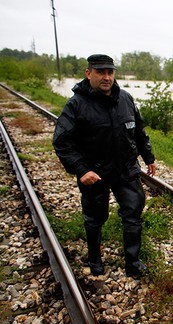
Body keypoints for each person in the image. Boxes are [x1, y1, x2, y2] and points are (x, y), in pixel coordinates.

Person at [53, 54, 156, 278]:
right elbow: (62, 142)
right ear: (88, 73)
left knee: (133, 214)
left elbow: (139, 131)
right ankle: (94, 258)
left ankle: (133, 262)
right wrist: (81, 170)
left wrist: (149, 157)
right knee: (94, 218)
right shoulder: (76, 104)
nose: (106, 77)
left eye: (110, 72)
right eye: (100, 72)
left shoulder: (126, 99)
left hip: (126, 170)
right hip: (95, 172)